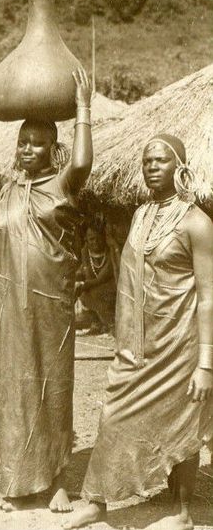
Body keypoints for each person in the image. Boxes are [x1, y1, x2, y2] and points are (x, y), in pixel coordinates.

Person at [63, 134, 213, 530]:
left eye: (160, 160)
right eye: (147, 160)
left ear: (180, 166)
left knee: (183, 421)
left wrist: (206, 364)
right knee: (112, 413)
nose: (151, 166)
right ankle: (97, 502)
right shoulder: (142, 214)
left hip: (180, 345)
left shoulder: (197, 223)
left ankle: (181, 513)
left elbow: (208, 297)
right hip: (136, 345)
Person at [0, 67, 93, 512]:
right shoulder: (5, 192)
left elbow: (82, 163)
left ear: (52, 150)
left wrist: (83, 107)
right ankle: (19, 485)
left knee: (53, 387)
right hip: (7, 307)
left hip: (50, 306)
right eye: (22, 141)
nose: (27, 149)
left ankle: (57, 480)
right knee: (15, 391)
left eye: (37, 143)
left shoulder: (60, 186)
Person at [75, 224, 116, 335]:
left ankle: (111, 325)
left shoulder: (110, 251)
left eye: (98, 238)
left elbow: (103, 277)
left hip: (110, 285)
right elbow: (88, 275)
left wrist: (84, 285)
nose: (95, 242)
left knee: (91, 292)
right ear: (86, 240)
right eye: (91, 239)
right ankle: (96, 323)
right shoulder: (85, 252)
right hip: (94, 285)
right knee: (86, 292)